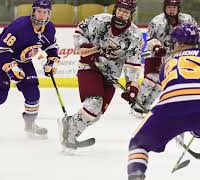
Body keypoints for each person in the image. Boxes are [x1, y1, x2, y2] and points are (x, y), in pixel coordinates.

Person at [0, 0, 60, 138]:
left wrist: (52, 60)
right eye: (39, 11)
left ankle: (30, 124)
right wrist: (11, 67)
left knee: (33, 94)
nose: (41, 15)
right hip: (0, 59)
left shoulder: (50, 28)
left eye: (45, 12)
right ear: (33, 11)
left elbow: (51, 46)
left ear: (49, 14)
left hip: (23, 61)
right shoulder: (20, 27)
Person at [60, 0, 142, 150]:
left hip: (111, 77)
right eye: (120, 10)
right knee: (93, 104)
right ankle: (69, 136)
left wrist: (132, 87)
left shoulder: (134, 35)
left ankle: (69, 124)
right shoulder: (100, 20)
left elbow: (133, 62)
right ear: (116, 10)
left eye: (126, 12)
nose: (122, 14)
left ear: (131, 14)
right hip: (90, 68)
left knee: (96, 115)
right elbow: (80, 31)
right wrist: (86, 48)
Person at [127, 23, 200, 180]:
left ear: (178, 43)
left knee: (138, 143)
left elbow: (171, 87)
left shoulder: (167, 62)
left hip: (171, 105)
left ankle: (136, 175)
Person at [131, 0, 198, 117]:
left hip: (175, 56)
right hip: (155, 53)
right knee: (152, 77)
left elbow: (196, 33)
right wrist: (156, 47)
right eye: (169, 7)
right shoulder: (157, 21)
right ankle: (137, 105)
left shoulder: (188, 19)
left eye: (174, 8)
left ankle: (146, 106)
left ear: (178, 9)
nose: (171, 10)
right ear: (164, 8)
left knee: (162, 82)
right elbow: (150, 39)